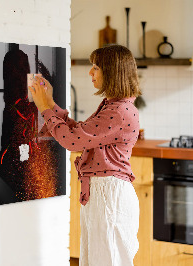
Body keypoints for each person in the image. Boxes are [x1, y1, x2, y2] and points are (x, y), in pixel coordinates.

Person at [28, 44, 141, 266]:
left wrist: (44, 108)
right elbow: (80, 133)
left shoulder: (118, 111)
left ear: (112, 71)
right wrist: (50, 104)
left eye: (96, 67)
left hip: (109, 195)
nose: (90, 72)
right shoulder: (114, 106)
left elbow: (72, 141)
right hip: (103, 193)